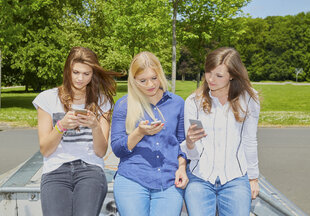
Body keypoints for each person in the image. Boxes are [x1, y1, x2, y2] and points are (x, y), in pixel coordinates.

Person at [32, 46, 119, 216]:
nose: (80, 78)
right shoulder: (47, 99)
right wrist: (61, 126)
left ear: (93, 74)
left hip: (90, 169)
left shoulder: (102, 101)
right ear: (67, 71)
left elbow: (101, 152)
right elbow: (46, 149)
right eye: (76, 72)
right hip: (55, 170)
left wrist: (94, 126)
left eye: (86, 74)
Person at [181, 47, 260, 216]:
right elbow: (193, 155)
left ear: (232, 75)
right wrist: (189, 143)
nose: (211, 79)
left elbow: (249, 140)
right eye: (208, 72)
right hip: (200, 178)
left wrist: (253, 178)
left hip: (236, 178)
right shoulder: (194, 102)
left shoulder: (249, 99)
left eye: (219, 75)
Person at [111, 51, 189, 216]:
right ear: (133, 81)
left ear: (160, 74)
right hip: (132, 179)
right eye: (143, 81)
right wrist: (139, 132)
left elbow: (183, 144)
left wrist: (182, 168)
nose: (150, 85)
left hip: (169, 181)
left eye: (154, 78)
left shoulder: (177, 103)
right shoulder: (123, 105)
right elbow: (118, 149)